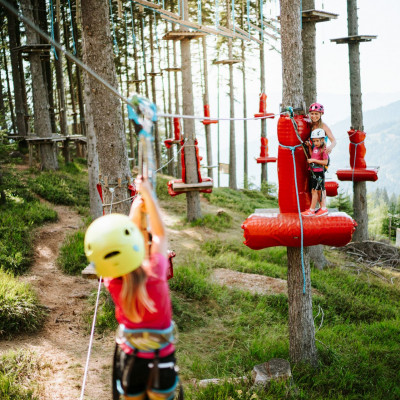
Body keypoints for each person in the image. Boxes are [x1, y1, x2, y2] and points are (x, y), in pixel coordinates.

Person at [84, 178, 181, 400]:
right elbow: (160, 235)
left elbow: (125, 242)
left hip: (131, 362)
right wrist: (146, 194)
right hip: (162, 362)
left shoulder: (113, 280)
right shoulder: (156, 272)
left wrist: (138, 201)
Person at [302, 128, 329, 217]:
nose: (316, 143)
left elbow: (325, 162)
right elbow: (312, 155)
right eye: (314, 141)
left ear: (322, 140)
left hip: (319, 173)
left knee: (315, 191)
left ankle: (313, 210)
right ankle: (317, 209)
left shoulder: (324, 150)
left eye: (317, 141)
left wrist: (313, 160)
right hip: (314, 172)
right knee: (314, 191)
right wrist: (309, 147)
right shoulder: (316, 148)